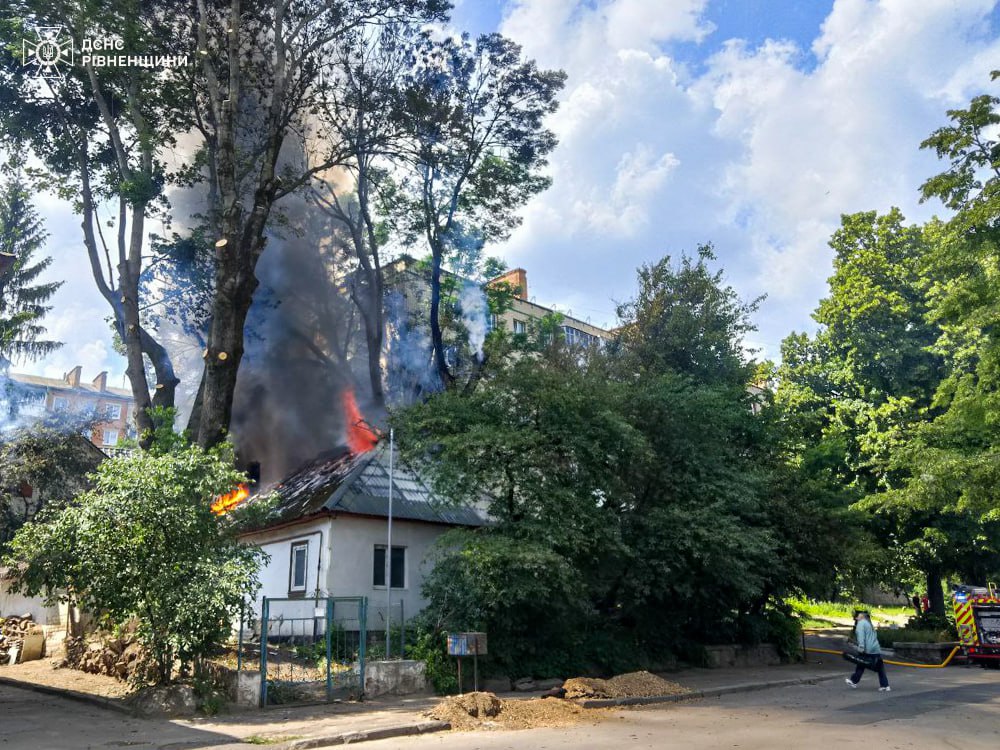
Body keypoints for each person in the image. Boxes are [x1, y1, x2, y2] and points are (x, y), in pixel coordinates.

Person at [846, 611, 890, 692]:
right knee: (880, 667)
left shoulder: (861, 624)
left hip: (867, 649)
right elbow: (874, 636)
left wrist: (861, 648)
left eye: (857, 616)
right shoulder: (869, 624)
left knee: (861, 664)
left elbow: (861, 637)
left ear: (861, 617)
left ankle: (854, 681)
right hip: (875, 648)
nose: (856, 618)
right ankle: (885, 685)